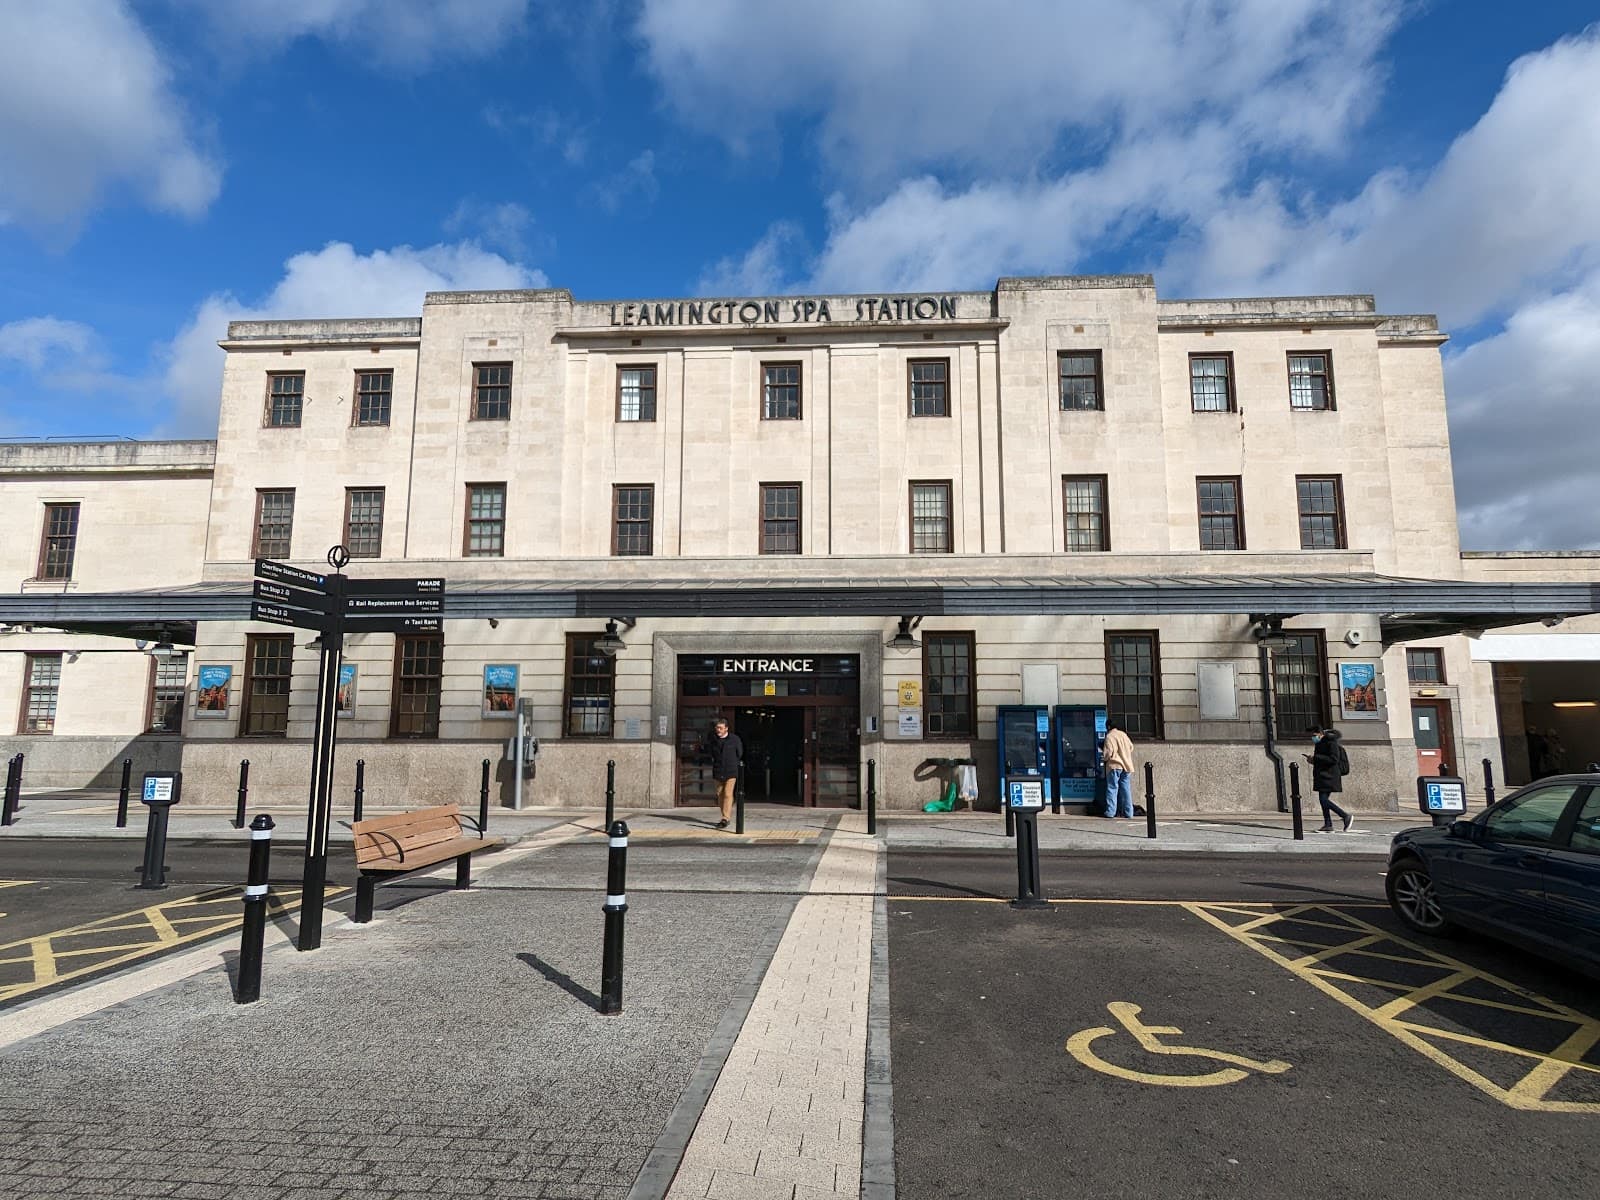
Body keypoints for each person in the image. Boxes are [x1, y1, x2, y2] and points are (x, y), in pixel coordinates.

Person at [1306, 726, 1353, 831]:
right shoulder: (1320, 743)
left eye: (1314, 735)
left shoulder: (1331, 742)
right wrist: (1313, 760)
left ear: (1321, 734)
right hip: (1323, 775)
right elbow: (1324, 759)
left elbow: (1334, 759)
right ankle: (1328, 824)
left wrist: (1316, 758)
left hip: (1329, 776)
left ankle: (1345, 816)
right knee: (1323, 800)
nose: (1313, 738)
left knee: (1323, 799)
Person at [706, 717, 743, 830]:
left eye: (721, 728)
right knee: (720, 793)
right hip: (718, 770)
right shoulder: (713, 740)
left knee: (728, 793)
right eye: (717, 728)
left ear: (726, 728)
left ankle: (725, 818)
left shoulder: (735, 739)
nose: (718, 730)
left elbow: (740, 753)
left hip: (731, 770)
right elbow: (710, 752)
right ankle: (724, 816)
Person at [1101, 720, 1135, 818]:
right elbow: (1131, 747)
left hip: (1115, 765)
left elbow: (1109, 752)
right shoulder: (1123, 734)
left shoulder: (1109, 736)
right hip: (1127, 765)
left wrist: (1104, 758)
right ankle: (1129, 813)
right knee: (1126, 789)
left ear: (1108, 727)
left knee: (1112, 788)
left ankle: (1110, 812)